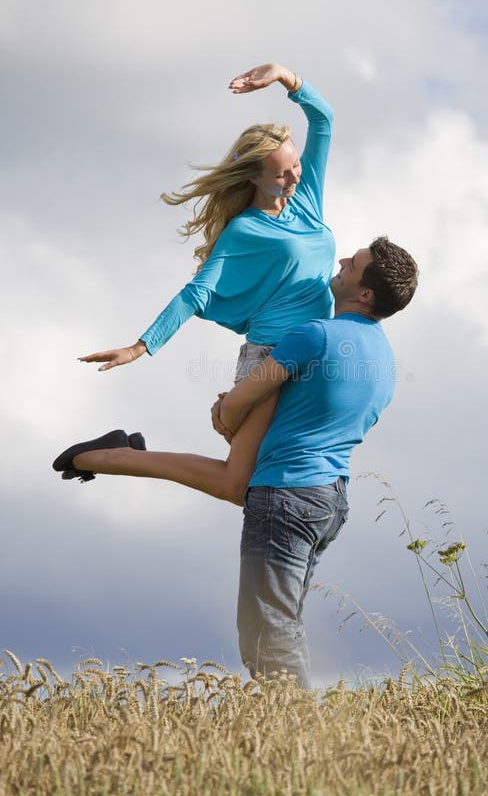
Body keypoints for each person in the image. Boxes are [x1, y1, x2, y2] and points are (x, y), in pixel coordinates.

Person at [53, 236, 419, 688]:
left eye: (353, 264)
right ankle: (105, 456)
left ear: (364, 294)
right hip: (330, 501)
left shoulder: (314, 335)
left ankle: (304, 738)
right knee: (282, 625)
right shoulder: (384, 359)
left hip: (286, 494)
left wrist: (227, 412)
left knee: (268, 635)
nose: (342, 260)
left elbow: (236, 404)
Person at [69, 62, 335, 504]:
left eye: (294, 166)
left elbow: (323, 119)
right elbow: (198, 292)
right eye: (281, 173)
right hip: (269, 358)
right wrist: (140, 346)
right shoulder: (244, 230)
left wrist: (287, 78)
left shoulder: (307, 197)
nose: (294, 177)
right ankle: (102, 457)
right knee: (241, 486)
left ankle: (117, 453)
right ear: (252, 177)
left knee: (272, 485)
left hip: (310, 355)